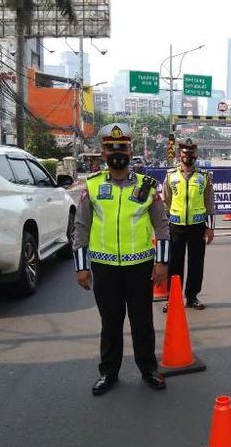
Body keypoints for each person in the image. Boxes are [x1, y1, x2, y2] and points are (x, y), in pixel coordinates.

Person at [72, 123, 171, 396]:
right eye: (110, 148)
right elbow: (80, 228)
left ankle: (148, 369)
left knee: (142, 322)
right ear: (102, 152)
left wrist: (161, 263)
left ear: (131, 151)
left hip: (140, 267)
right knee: (110, 322)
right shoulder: (91, 187)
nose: (117, 152)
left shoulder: (147, 187)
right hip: (104, 268)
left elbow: (162, 226)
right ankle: (109, 373)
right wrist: (82, 267)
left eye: (122, 147)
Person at [162, 138, 214, 312]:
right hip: (176, 226)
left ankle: (192, 297)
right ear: (179, 155)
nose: (188, 156)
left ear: (196, 155)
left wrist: (211, 227)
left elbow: (210, 203)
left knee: (196, 263)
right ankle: (173, 298)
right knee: (174, 264)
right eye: (185, 153)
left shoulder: (204, 177)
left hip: (198, 226)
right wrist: (163, 227)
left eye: (192, 153)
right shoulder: (171, 176)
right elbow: (165, 203)